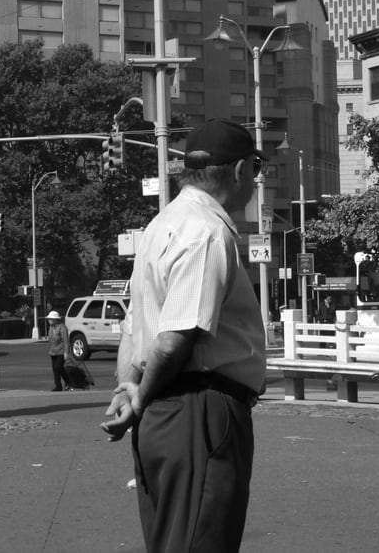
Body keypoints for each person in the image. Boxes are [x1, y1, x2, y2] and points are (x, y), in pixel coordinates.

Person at [100, 119, 267, 553]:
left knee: (173, 541)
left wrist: (129, 387)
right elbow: (176, 339)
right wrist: (137, 397)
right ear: (239, 171)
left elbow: (135, 326)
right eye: (256, 170)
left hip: (165, 414)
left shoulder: (159, 226)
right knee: (201, 542)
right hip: (200, 412)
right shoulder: (207, 232)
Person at [45, 310, 71, 391]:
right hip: (53, 352)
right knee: (55, 369)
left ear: (56, 319)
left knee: (58, 367)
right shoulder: (51, 327)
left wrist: (66, 353)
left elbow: (66, 341)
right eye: (49, 319)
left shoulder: (62, 327)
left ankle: (68, 381)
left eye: (51, 319)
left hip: (61, 351)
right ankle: (58, 386)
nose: (49, 320)